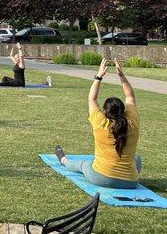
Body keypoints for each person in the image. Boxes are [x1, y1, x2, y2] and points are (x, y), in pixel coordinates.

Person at [55, 58, 141, 189]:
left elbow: (92, 98)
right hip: (130, 182)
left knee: (84, 164)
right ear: (124, 111)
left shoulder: (101, 123)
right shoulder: (133, 123)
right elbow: (130, 97)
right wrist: (121, 75)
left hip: (101, 177)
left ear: (106, 112)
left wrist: (99, 76)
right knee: (137, 158)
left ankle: (63, 160)